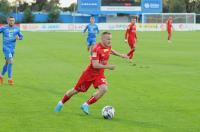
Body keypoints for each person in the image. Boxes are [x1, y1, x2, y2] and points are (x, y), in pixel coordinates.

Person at [55, 32, 128, 114]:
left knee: (104, 89)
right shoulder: (96, 49)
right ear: (102, 39)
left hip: (99, 74)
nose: (110, 41)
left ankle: (86, 104)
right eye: (108, 39)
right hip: (89, 74)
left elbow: (110, 50)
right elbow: (95, 65)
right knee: (75, 90)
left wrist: (121, 55)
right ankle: (60, 103)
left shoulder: (108, 46)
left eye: (110, 39)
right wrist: (108, 67)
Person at [0, 16, 23, 85]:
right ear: (7, 21)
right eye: (10, 20)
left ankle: (1, 76)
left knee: (7, 63)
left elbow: (22, 37)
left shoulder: (17, 29)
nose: (11, 22)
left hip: (12, 48)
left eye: (12, 20)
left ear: (14, 21)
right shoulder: (4, 28)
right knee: (11, 61)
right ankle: (10, 79)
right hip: (6, 48)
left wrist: (18, 38)